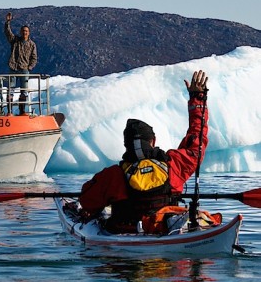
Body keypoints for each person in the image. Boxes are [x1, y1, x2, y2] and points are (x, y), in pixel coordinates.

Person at [77, 70, 208, 233]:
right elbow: (197, 138)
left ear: (126, 144)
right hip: (166, 233)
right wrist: (198, 98)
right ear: (153, 141)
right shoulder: (174, 165)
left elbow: (87, 202)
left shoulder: (112, 176)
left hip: (126, 240)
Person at [4, 12, 38, 115]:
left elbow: (34, 57)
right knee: (10, 90)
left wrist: (30, 67)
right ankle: (9, 112)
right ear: (20, 32)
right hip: (13, 67)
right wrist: (7, 22)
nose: (25, 33)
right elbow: (8, 33)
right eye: (23, 31)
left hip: (24, 69)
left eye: (26, 31)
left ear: (29, 33)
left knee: (24, 91)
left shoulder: (32, 44)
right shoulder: (15, 41)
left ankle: (22, 111)